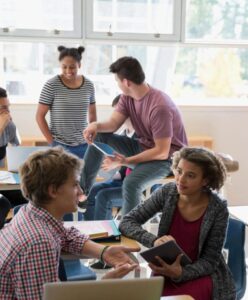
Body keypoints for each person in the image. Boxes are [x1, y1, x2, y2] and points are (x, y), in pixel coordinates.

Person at [0, 147, 138, 299]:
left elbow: (66, 234)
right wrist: (103, 286)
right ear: (53, 190)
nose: (80, 191)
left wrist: (103, 252)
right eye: (74, 185)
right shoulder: (38, 243)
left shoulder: (29, 213)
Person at [120, 147, 236, 300]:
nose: (181, 179)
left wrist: (181, 273)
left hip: (201, 275)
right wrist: (153, 240)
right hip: (165, 270)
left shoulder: (218, 208)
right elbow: (127, 222)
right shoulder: (167, 192)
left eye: (191, 175)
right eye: (179, 171)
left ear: (205, 180)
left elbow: (210, 261)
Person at [80, 56, 187, 217]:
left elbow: (162, 152)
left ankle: (129, 231)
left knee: (131, 183)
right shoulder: (127, 97)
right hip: (142, 147)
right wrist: (95, 126)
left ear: (126, 82)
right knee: (99, 136)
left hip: (167, 159)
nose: (117, 84)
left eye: (117, 81)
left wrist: (125, 161)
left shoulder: (159, 106)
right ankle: (82, 192)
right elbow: (113, 123)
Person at [36, 46, 97, 159]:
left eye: (72, 67)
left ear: (79, 65)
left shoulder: (89, 85)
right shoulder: (51, 85)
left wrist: (92, 137)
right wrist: (52, 143)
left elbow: (92, 115)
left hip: (84, 145)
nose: (68, 71)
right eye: (64, 67)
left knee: (84, 176)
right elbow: (39, 116)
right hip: (59, 145)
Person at [0, 87, 27, 206]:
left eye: (8, 107)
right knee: (3, 204)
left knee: (29, 196)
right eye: (4, 108)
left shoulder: (9, 126)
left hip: (2, 182)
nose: (8, 113)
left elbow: (18, 151)